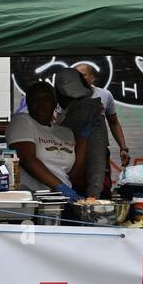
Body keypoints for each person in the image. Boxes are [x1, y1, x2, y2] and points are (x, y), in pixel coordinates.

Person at [4, 81, 86, 200]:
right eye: (35, 99)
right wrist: (61, 188)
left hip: (62, 201)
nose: (40, 103)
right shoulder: (22, 121)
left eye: (46, 98)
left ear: (54, 103)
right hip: (34, 200)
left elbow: (73, 173)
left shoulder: (66, 132)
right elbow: (28, 160)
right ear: (28, 103)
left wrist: (84, 139)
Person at [54, 67, 108, 198]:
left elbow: (97, 157)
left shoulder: (86, 111)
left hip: (83, 186)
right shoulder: (71, 112)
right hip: (73, 183)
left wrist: (92, 198)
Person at [75, 61, 131, 174]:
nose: (80, 78)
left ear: (92, 78)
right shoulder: (66, 97)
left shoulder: (105, 95)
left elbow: (114, 122)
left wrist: (123, 148)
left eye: (83, 74)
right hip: (74, 151)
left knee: (101, 186)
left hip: (99, 151)